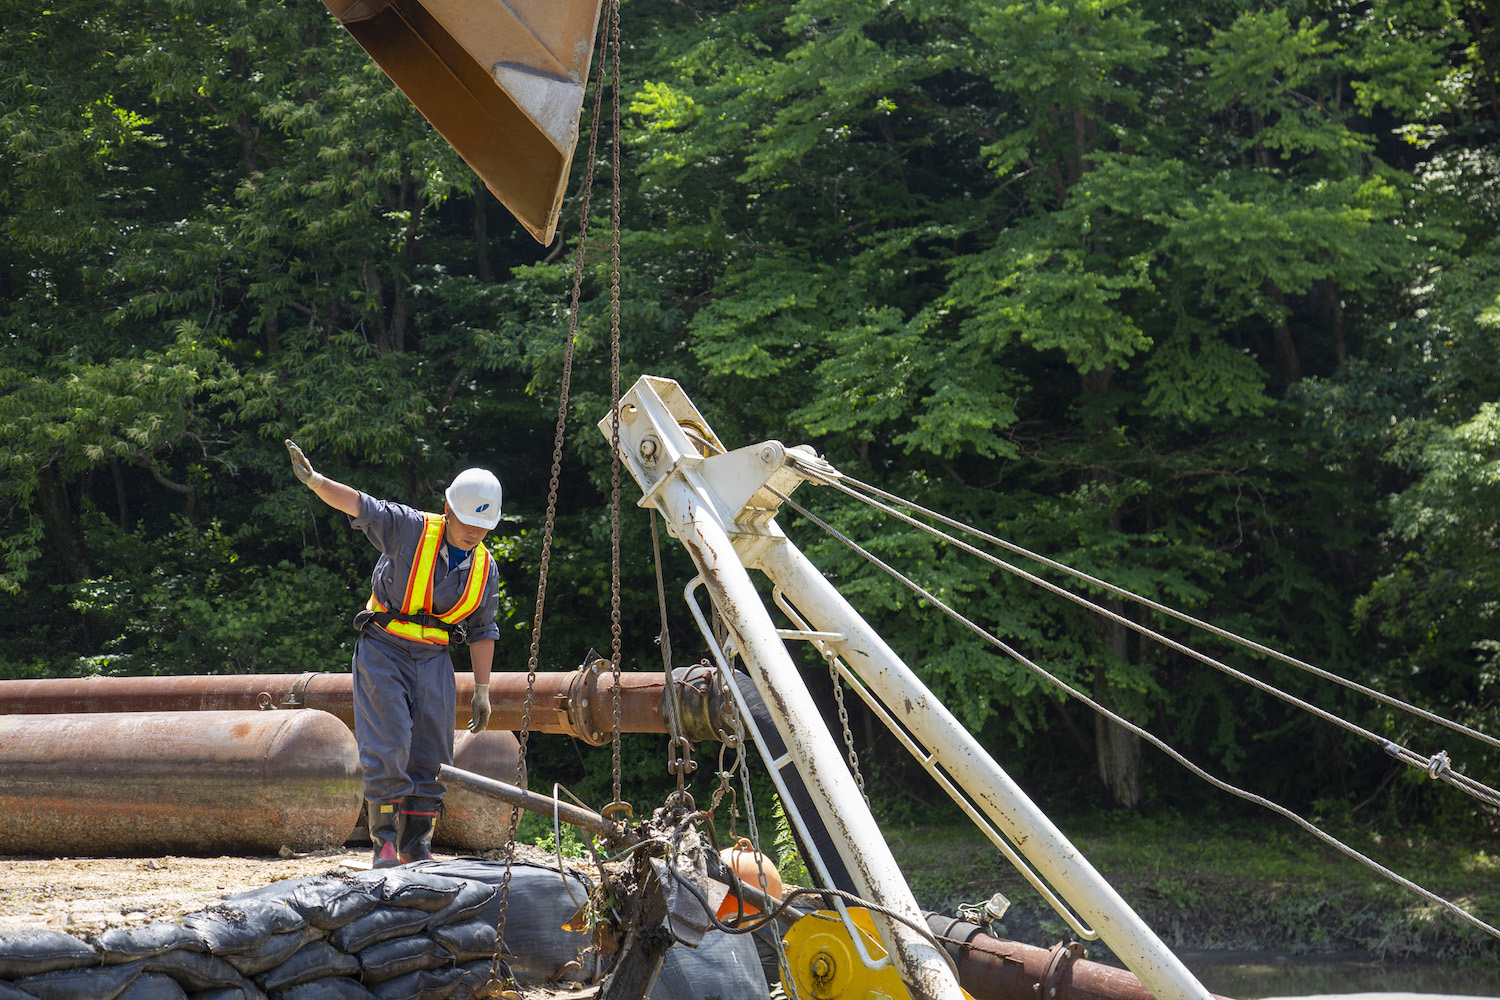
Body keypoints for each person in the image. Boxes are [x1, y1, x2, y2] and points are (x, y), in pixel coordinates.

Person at [285, 439, 501, 867]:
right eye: (467, 521)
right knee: (388, 746)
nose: (474, 531)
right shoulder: (410, 528)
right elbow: (361, 505)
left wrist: (482, 689)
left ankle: (417, 846)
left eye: (484, 526)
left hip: (434, 659)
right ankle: (383, 844)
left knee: (433, 754)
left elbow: (482, 630)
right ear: (448, 508)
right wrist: (316, 482)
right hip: (384, 650)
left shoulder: (485, 568)